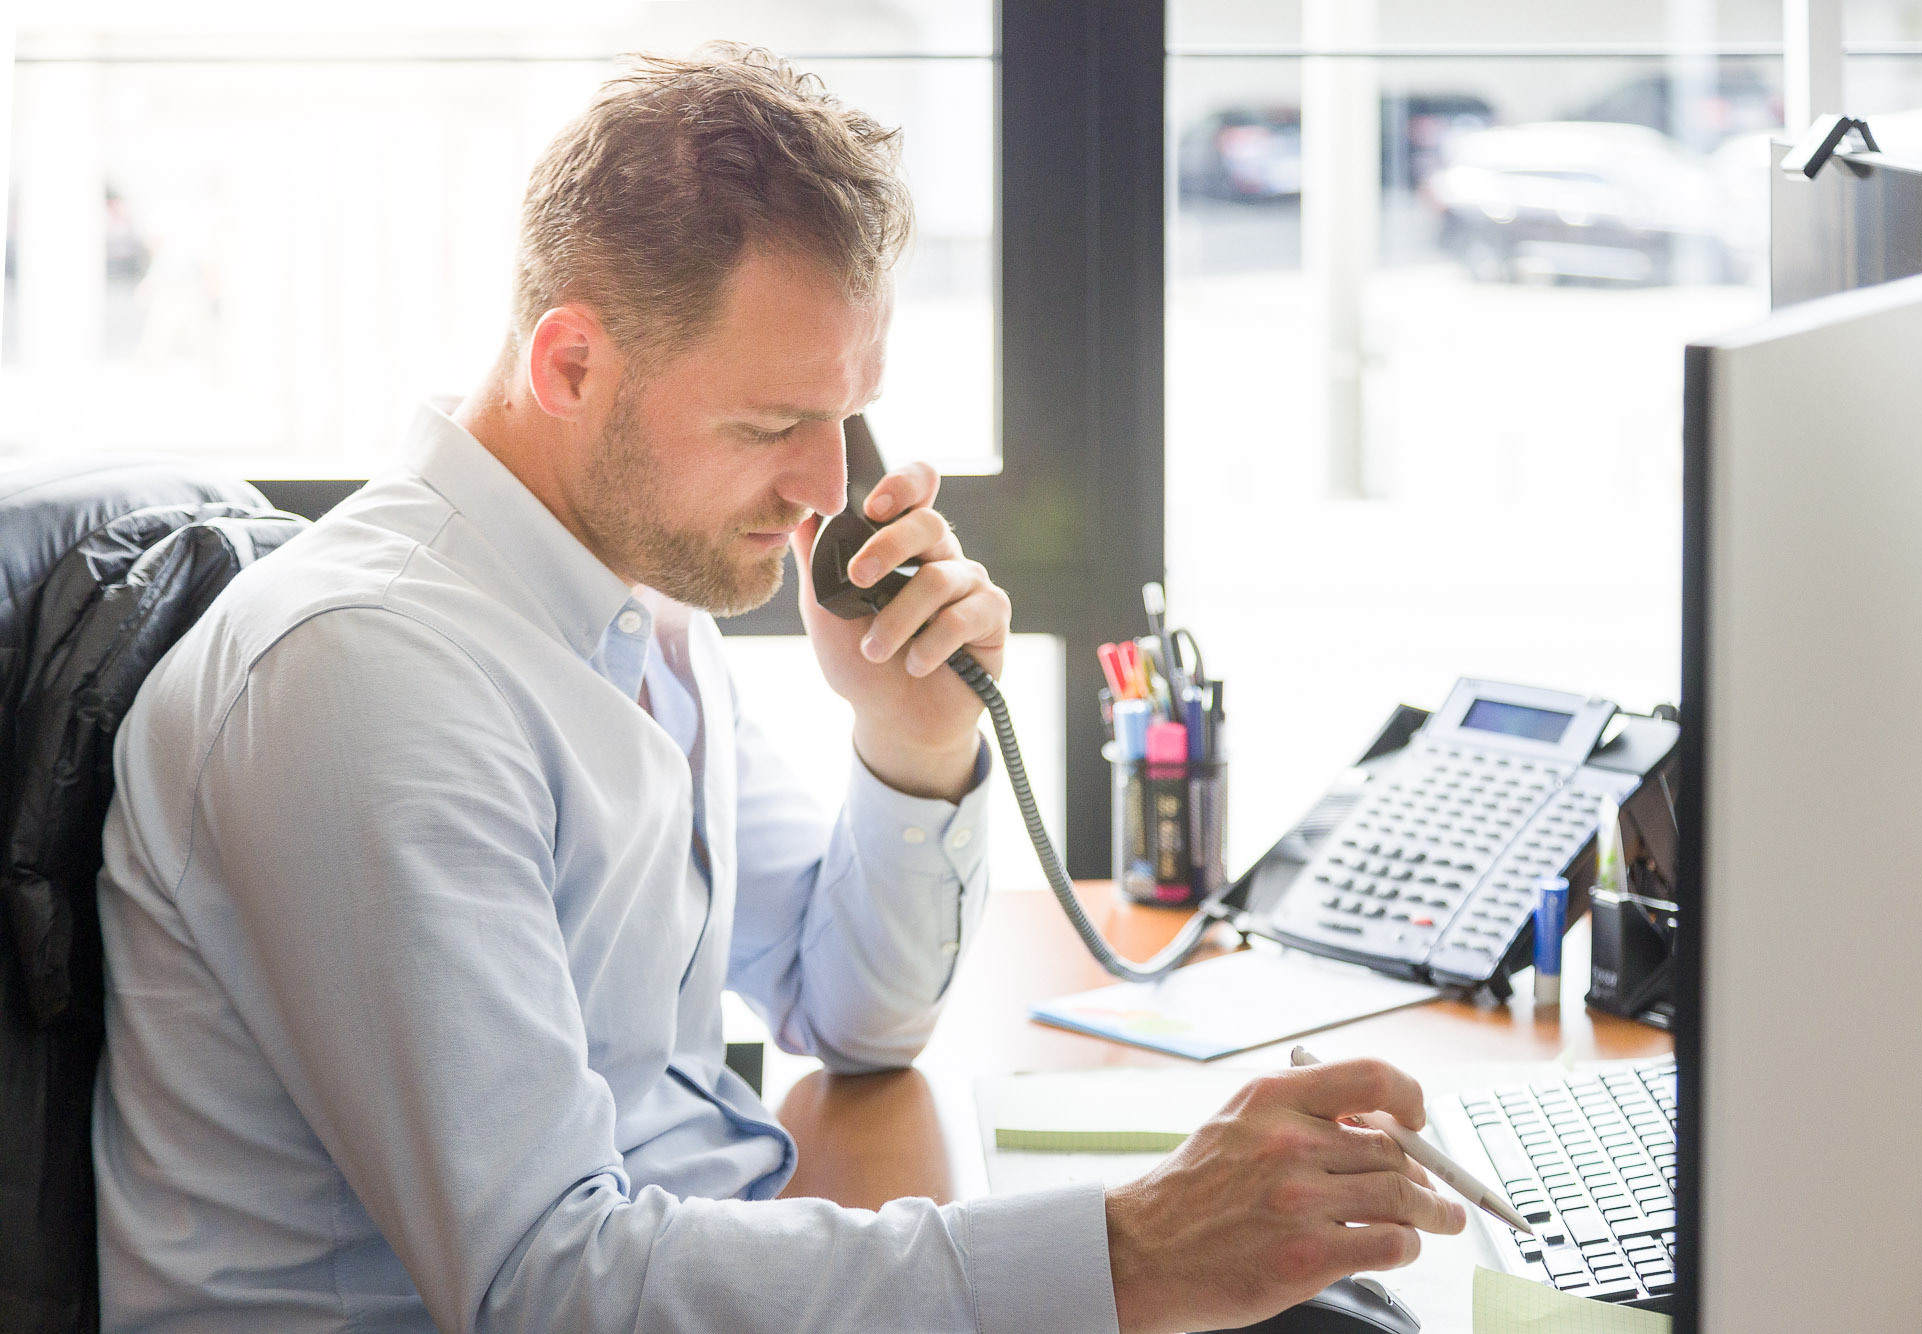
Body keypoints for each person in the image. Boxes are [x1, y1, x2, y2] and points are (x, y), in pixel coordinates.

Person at [93, 45, 1464, 1334]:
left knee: (1331, 1304)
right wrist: (1132, 1248)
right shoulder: (365, 685)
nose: (826, 489)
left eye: (844, 416)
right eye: (771, 425)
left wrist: (907, 735)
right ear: (569, 365)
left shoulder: (631, 600)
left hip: (698, 1249)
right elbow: (547, 1286)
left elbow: (851, 1005)